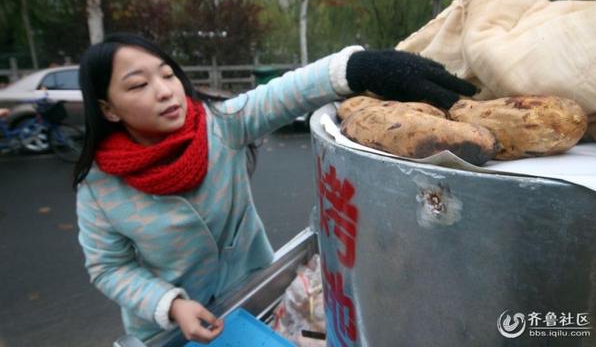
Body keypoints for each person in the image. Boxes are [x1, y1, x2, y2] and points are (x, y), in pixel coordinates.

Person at [74, 33, 476, 343]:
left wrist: (358, 68)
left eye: (167, 74)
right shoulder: (99, 188)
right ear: (108, 108)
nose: (164, 91)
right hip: (167, 332)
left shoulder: (221, 126)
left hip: (253, 301)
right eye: (137, 85)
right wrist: (171, 305)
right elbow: (109, 268)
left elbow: (283, 94)